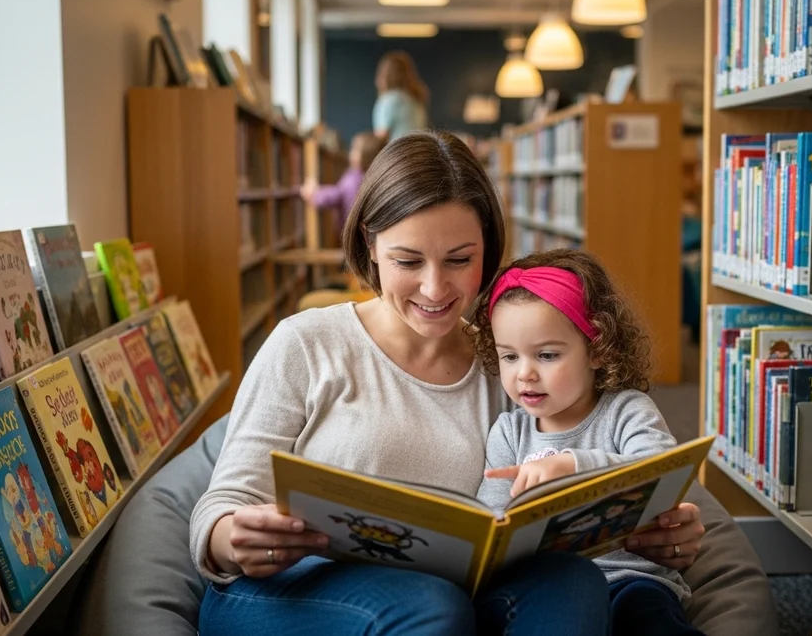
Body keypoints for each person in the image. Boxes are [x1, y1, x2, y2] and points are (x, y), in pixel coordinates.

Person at [189, 130, 705, 635]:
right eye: (407, 261)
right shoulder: (306, 343)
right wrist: (230, 536)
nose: (434, 288)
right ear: (370, 244)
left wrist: (662, 529)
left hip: (449, 594)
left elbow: (592, 450)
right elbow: (222, 502)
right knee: (431, 607)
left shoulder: (506, 365)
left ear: (488, 249)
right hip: (289, 591)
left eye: (460, 260)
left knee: (573, 582)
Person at [471, 249, 707, 636]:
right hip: (548, 589)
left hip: (631, 582)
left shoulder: (628, 410)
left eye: (547, 355)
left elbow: (661, 472)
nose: (524, 373)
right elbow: (492, 524)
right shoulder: (509, 431)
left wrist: (573, 466)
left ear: (597, 349)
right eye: (509, 356)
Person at [300, 131, 384, 234]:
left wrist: (314, 194)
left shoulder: (353, 179)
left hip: (353, 231)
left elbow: (336, 195)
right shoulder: (375, 179)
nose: (351, 152)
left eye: (354, 149)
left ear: (363, 155)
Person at [372, 51, 429, 143]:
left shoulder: (388, 100)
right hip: (418, 152)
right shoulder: (415, 99)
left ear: (384, 74)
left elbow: (380, 138)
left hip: (397, 154)